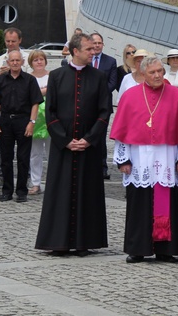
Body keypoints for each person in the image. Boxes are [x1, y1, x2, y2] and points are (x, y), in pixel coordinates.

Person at [110, 56, 178, 263]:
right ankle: (138, 249)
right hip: (139, 158)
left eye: (160, 72)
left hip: (166, 157)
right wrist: (123, 160)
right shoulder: (130, 96)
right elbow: (122, 132)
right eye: (152, 72)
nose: (157, 75)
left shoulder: (176, 96)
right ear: (143, 74)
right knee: (139, 203)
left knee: (166, 202)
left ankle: (166, 249)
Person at [35, 33, 111, 255]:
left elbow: (104, 113)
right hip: (63, 147)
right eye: (88, 49)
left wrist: (88, 139)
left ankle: (83, 242)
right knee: (61, 192)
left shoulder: (98, 77)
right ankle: (57, 241)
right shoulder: (57, 76)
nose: (93, 51)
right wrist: (66, 141)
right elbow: (50, 113)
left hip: (89, 147)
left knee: (87, 192)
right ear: (75, 51)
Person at [0, 50, 42, 203]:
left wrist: (31, 123)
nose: (14, 63)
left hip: (23, 120)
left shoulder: (30, 80)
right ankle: (6, 191)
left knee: (23, 157)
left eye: (17, 60)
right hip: (5, 120)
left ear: (22, 62)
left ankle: (21, 191)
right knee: (6, 157)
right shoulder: (1, 80)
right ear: (7, 62)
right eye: (12, 60)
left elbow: (35, 103)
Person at [90, 32, 117, 180]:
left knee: (100, 137)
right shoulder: (85, 60)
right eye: (94, 43)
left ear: (103, 44)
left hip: (103, 106)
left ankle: (102, 167)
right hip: (87, 105)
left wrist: (98, 94)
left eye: (99, 43)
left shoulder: (110, 61)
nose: (96, 45)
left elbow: (112, 83)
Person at [28, 50, 50, 195]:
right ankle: (35, 183)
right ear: (31, 63)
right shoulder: (28, 78)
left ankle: (52, 182)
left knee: (51, 152)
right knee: (35, 153)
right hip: (35, 118)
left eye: (41, 59)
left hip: (49, 118)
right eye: (36, 60)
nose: (39, 62)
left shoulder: (52, 77)